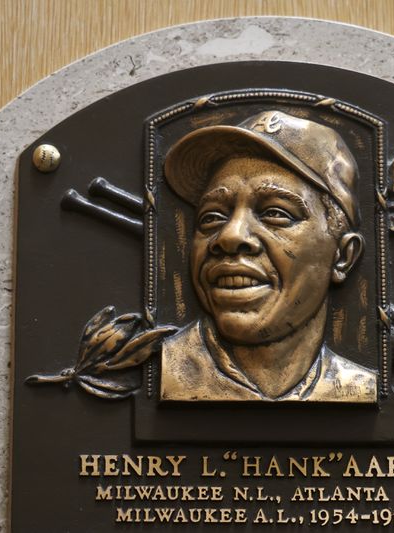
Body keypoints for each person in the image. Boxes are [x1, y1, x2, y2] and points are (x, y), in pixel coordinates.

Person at [160, 110, 377, 402]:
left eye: (275, 213)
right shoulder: (159, 374)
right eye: (212, 217)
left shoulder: (360, 389)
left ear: (343, 257)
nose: (230, 236)